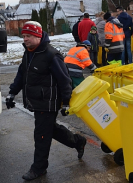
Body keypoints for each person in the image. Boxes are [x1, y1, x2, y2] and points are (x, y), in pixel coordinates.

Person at [5, 21, 87, 181]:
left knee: (41, 135)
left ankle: (39, 168)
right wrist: (11, 93)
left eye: (28, 36)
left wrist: (66, 102)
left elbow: (65, 80)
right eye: (24, 36)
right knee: (50, 129)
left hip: (48, 102)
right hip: (36, 101)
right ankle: (78, 142)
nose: (25, 39)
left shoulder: (52, 55)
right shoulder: (29, 52)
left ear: (37, 36)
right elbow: (22, 74)